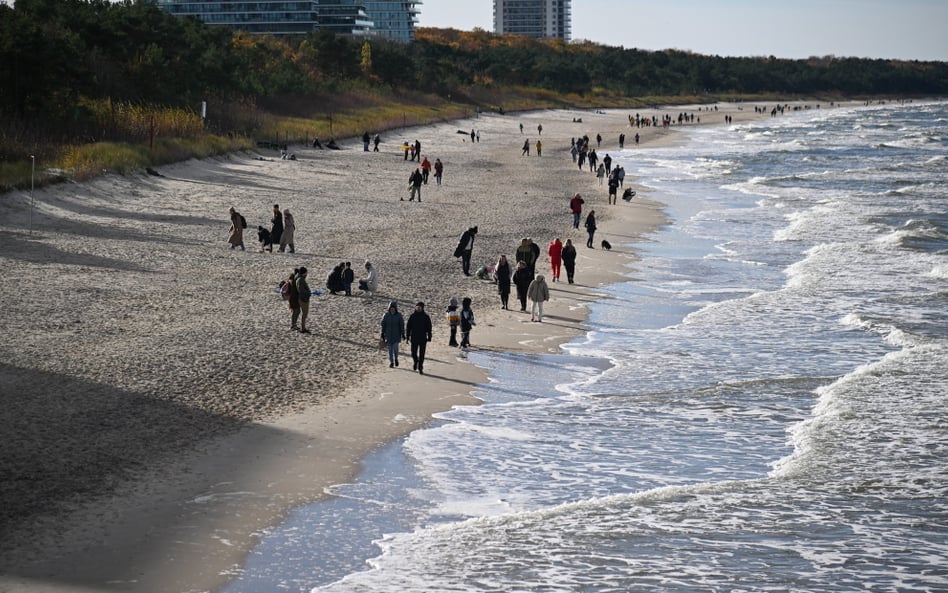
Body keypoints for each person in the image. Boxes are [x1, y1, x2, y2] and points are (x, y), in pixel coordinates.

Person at [405, 301, 433, 374]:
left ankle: (420, 367)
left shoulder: (426, 316)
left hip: (423, 338)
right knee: (413, 353)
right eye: (417, 307)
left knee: (422, 354)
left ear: (422, 308)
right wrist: (407, 337)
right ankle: (415, 361)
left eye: (420, 307)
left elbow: (429, 327)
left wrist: (429, 336)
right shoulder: (412, 316)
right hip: (414, 338)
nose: (418, 308)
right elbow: (408, 327)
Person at [380, 301, 405, 368]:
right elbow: (383, 325)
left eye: (393, 308)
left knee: (395, 349)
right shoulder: (386, 315)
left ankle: (396, 358)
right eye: (391, 308)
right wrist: (382, 333)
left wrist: (403, 334)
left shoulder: (399, 315)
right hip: (388, 335)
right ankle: (391, 362)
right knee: (390, 350)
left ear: (395, 308)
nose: (392, 309)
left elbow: (401, 325)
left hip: (396, 335)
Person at [295, 267, 311, 333]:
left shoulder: (299, 278)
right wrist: (308, 293)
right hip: (303, 299)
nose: (307, 274)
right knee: (305, 314)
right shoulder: (300, 280)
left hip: (302, 298)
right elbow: (301, 290)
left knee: (304, 314)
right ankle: (303, 328)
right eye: (306, 272)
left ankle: (303, 328)